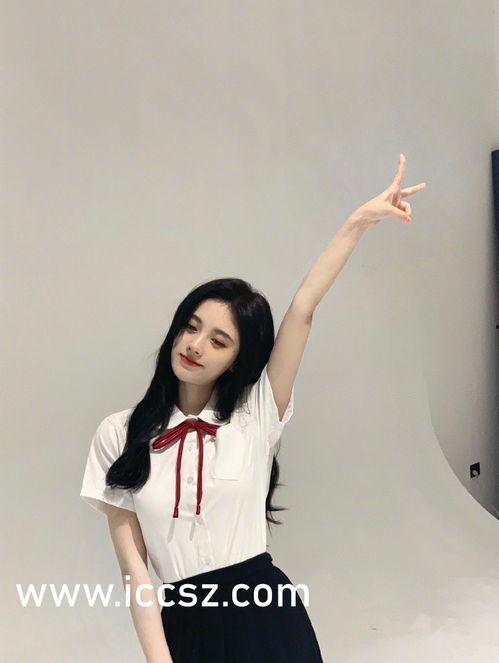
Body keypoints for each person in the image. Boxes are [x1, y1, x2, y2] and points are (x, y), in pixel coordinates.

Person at [80, 154, 427, 662]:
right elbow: (135, 574)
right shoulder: (118, 434)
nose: (196, 345)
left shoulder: (256, 415)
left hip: (266, 620)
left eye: (218, 340)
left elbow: (303, 308)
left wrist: (358, 221)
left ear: (236, 361)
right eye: (191, 326)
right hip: (185, 628)